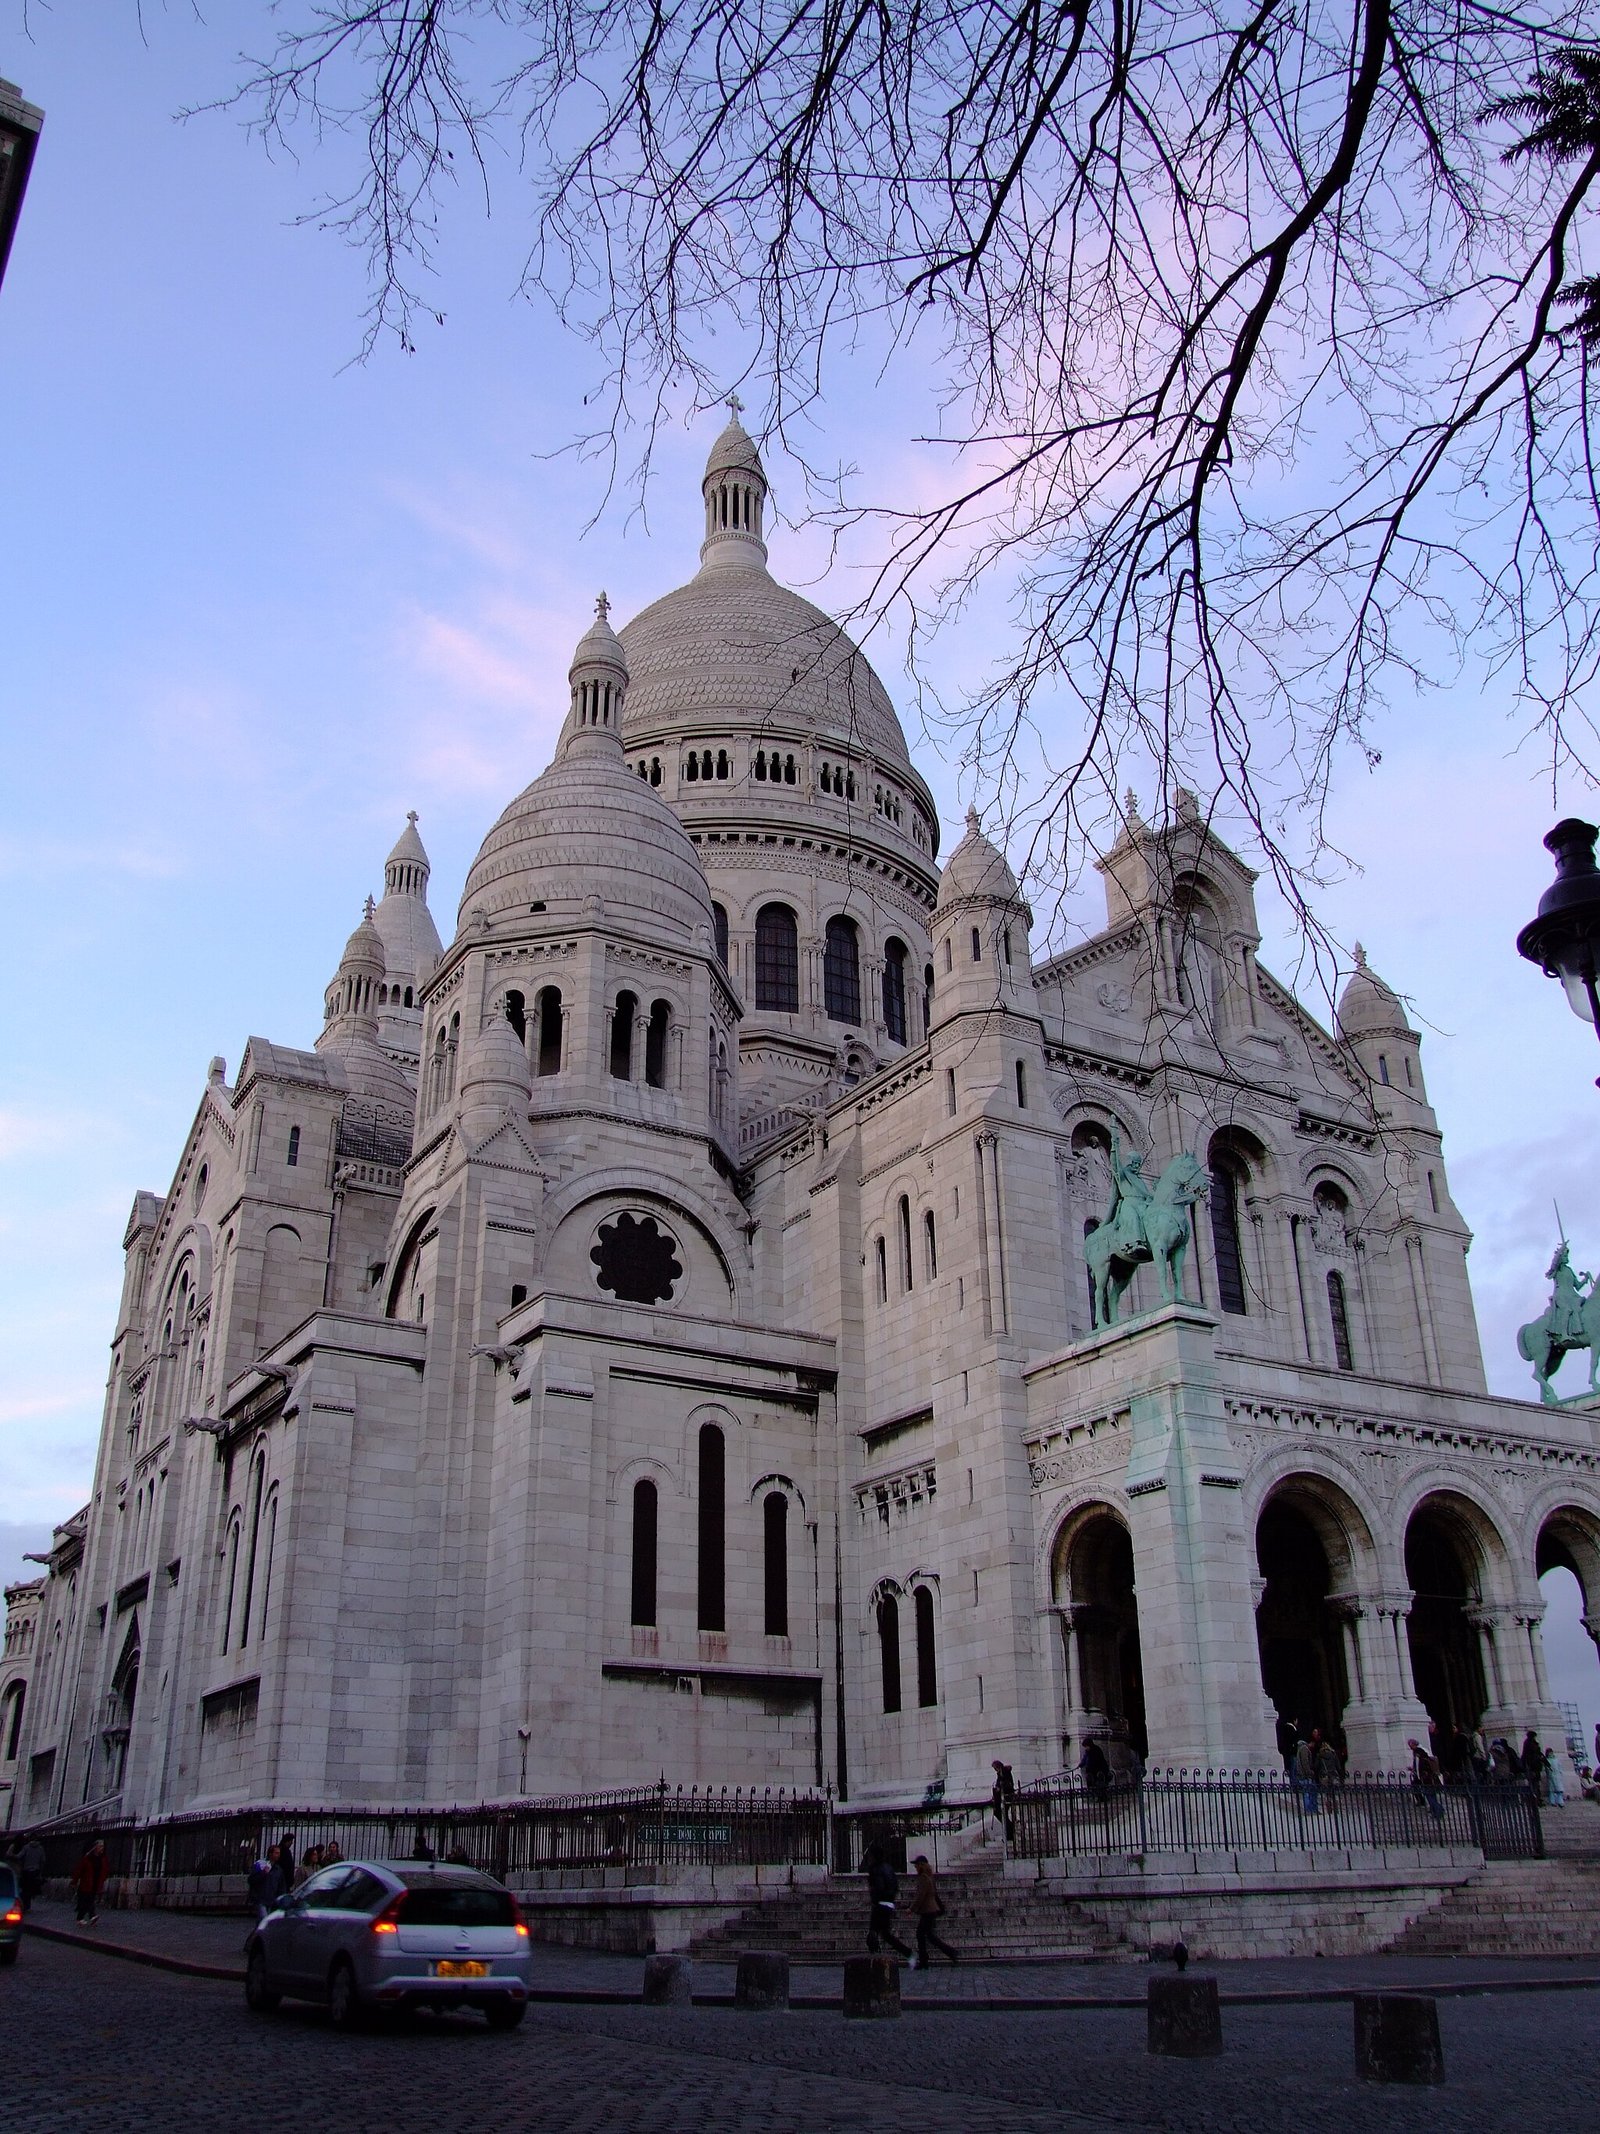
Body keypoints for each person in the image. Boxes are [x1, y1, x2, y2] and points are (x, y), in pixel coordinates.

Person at [861, 1842, 912, 1959]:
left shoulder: (875, 1869)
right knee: (885, 1934)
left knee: (875, 1933)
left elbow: (878, 1887)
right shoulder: (888, 1867)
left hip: (880, 1904)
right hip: (889, 1903)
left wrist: (875, 1898)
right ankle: (907, 1953)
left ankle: (875, 1958)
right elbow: (895, 1886)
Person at [907, 1855, 959, 1968]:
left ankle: (925, 1961)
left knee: (922, 1935)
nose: (915, 1867)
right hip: (931, 1910)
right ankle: (949, 1953)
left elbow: (921, 1896)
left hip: (928, 1911)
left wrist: (911, 1909)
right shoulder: (929, 1877)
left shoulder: (923, 1878)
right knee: (929, 1936)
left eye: (916, 1864)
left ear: (921, 1865)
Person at [70, 1839, 108, 1927]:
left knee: (88, 1900)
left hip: (96, 1882)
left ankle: (82, 1918)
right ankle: (91, 1915)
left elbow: (105, 1869)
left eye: (103, 1846)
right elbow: (79, 1870)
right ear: (95, 1847)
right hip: (87, 1883)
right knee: (87, 1900)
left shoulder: (102, 1859)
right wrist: (74, 1881)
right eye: (100, 1846)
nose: (102, 1848)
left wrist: (103, 1878)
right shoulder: (88, 1858)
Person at [1408, 1738, 1445, 1824]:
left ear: (1413, 1745)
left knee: (1429, 1794)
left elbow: (1418, 1765)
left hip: (1425, 1777)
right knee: (1432, 1794)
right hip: (1430, 1777)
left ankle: (1438, 1810)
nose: (1410, 1748)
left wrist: (1417, 1774)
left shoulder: (1418, 1752)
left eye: (1410, 1745)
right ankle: (1434, 1810)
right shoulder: (1424, 1751)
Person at [247, 1845, 285, 1922]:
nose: (278, 1855)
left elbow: (281, 1885)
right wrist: (263, 1873)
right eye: (276, 1853)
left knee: (265, 1922)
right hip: (261, 1899)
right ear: (270, 1854)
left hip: (272, 1899)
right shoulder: (260, 1865)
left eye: (279, 1853)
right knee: (264, 1920)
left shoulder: (278, 1869)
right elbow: (251, 1880)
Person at [17, 1835, 45, 1915]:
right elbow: (43, 1861)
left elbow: (19, 1856)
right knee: (30, 1890)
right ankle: (28, 1907)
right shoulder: (40, 1848)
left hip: (26, 1870)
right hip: (35, 1871)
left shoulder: (26, 1847)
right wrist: (40, 1872)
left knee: (24, 1889)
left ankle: (22, 1906)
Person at [1079, 1738, 1112, 1803]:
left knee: (1099, 1784)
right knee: (1092, 1784)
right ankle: (1096, 1796)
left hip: (1099, 1770)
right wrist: (1081, 1764)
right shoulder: (1088, 1752)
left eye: (1086, 1746)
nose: (1086, 1748)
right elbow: (1085, 1759)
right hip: (1091, 1771)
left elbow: (1098, 1761)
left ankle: (1102, 1797)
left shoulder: (1096, 1750)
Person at [989, 1759, 1016, 1838]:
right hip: (1000, 1798)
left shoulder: (1005, 1772)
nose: (995, 1770)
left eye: (995, 1768)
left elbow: (1008, 1784)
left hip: (1006, 1797)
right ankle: (1009, 1829)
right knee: (999, 1814)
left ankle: (1010, 1830)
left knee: (1002, 1814)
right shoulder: (999, 1774)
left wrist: (1000, 1787)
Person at [1293, 1734, 1318, 1814]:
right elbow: (1305, 1762)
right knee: (1308, 1792)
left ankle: (1311, 1809)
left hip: (1302, 1774)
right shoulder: (1304, 1749)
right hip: (1305, 1775)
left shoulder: (1300, 1748)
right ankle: (1309, 1809)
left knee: (1308, 1792)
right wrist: (1309, 1772)